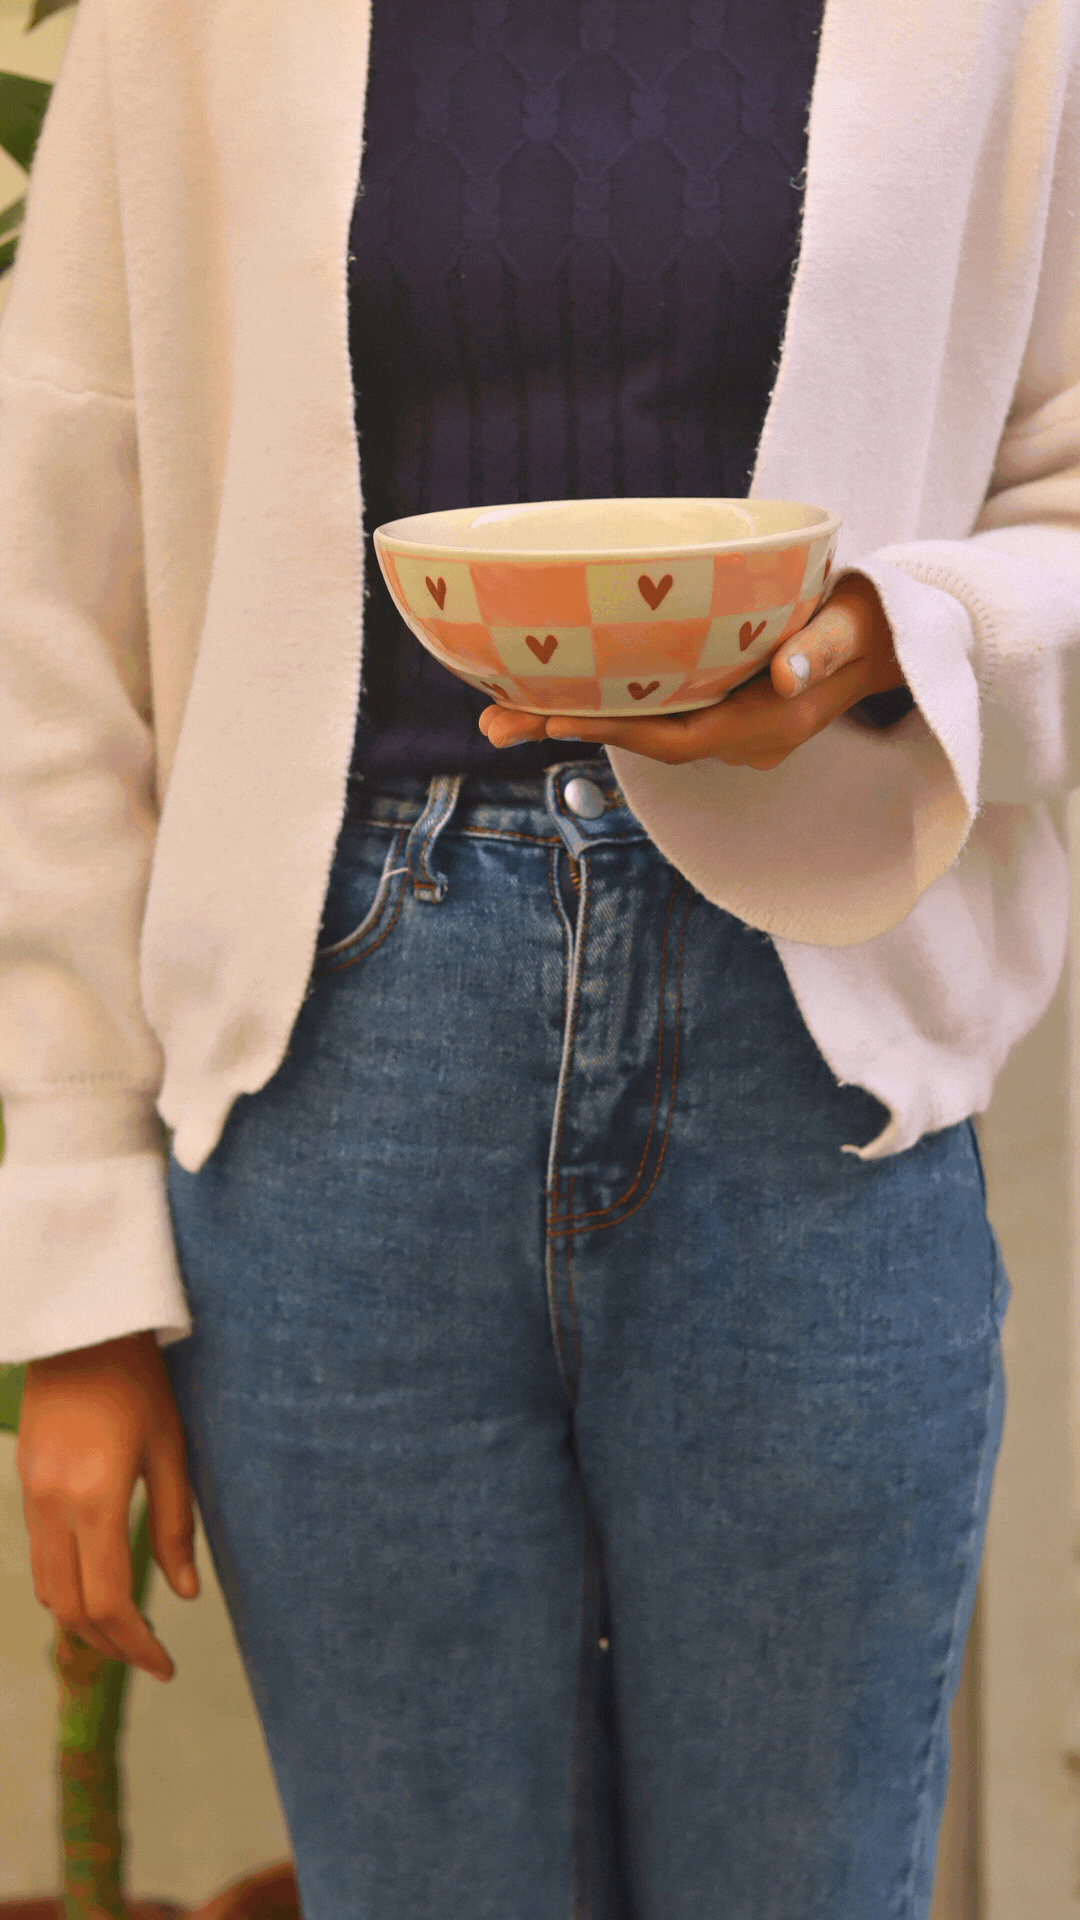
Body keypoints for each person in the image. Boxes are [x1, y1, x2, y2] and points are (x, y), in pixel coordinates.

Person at [1, 0, 1077, 1914]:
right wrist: (75, 1271)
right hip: (336, 1063)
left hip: (814, 1068)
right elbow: (51, 598)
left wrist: (886, 643)